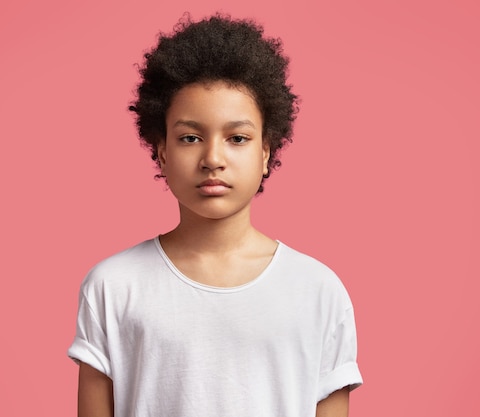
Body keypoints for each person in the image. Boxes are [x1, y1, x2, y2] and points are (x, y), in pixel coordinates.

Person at [68, 14, 362, 417]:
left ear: (265, 152)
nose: (212, 159)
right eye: (190, 137)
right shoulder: (113, 287)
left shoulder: (318, 291)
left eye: (237, 138)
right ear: (162, 151)